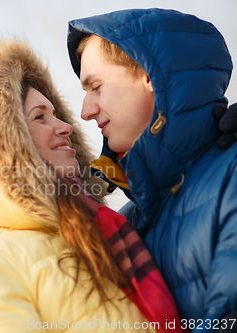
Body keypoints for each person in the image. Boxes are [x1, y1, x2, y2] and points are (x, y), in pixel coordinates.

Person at [0, 38, 183, 332]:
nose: (66, 126)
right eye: (40, 117)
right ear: (0, 147)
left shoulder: (100, 232)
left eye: (56, 114)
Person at [67, 8, 237, 327]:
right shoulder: (129, 220)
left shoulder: (232, 173)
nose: (85, 111)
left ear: (148, 76)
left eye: (96, 87)